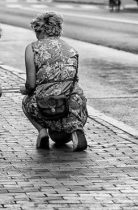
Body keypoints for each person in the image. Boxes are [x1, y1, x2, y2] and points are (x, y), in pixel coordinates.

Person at [20, 12, 88, 151]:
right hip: (72, 104)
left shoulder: (32, 48)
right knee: (60, 137)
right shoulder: (70, 48)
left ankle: (42, 132)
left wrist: (25, 90)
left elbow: (31, 85)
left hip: (46, 105)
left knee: (26, 101)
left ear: (39, 30)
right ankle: (76, 129)